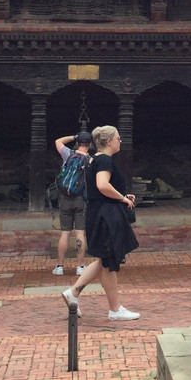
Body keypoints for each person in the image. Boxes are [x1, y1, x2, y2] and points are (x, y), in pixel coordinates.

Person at [61, 125, 140, 321]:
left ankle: (74, 293)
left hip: (98, 212)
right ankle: (114, 309)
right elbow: (102, 185)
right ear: (108, 141)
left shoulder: (94, 159)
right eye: (117, 138)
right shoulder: (104, 159)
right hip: (105, 215)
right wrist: (123, 199)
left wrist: (121, 195)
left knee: (105, 260)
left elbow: (101, 187)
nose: (120, 141)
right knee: (108, 261)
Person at [52, 131, 91, 276]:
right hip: (81, 199)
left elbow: (58, 141)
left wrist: (74, 137)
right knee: (80, 233)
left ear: (78, 142)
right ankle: (80, 267)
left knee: (65, 233)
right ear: (90, 144)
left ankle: (59, 267)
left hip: (65, 198)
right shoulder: (90, 160)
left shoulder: (68, 154)